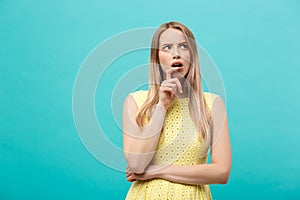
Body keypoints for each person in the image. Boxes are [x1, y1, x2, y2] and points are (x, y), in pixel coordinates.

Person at [122, 21, 232, 200]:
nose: (176, 54)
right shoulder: (135, 101)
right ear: (156, 58)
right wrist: (161, 106)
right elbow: (136, 165)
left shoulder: (213, 104)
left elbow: (222, 172)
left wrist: (157, 170)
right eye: (167, 47)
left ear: (192, 56)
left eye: (183, 46)